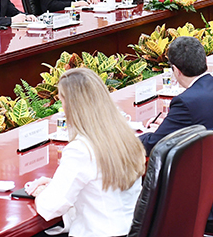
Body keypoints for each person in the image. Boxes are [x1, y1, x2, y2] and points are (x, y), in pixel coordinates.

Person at [139, 36, 213, 219]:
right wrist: (170, 126)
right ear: (204, 60)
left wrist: (132, 137)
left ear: (175, 70)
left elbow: (153, 144)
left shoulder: (186, 101)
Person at [27, 68, 145, 237]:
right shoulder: (125, 135)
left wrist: (41, 192)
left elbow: (51, 207)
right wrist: (56, 184)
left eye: (62, 101)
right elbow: (98, 184)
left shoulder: (81, 149)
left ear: (73, 106)